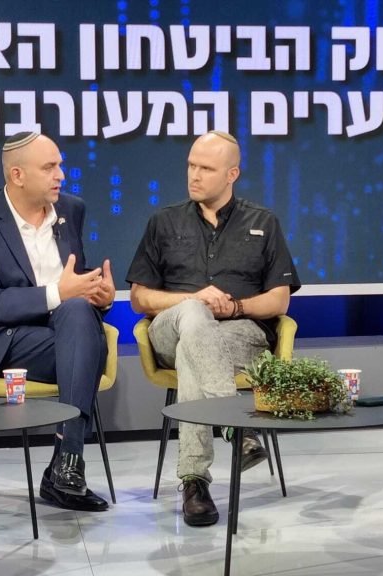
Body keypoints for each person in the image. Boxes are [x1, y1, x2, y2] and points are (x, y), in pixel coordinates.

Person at [127, 131, 301, 526]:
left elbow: (279, 301)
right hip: (170, 329)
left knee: (194, 349)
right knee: (192, 315)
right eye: (191, 165)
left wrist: (235, 306)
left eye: (205, 168)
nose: (194, 174)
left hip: (240, 335)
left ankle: (194, 482)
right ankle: (233, 425)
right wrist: (195, 301)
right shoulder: (163, 222)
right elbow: (139, 298)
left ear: (231, 174)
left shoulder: (263, 222)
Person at [0, 132, 115, 512]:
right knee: (83, 345)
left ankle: (66, 462)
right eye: (49, 167)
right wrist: (60, 292)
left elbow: (74, 279)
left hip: (58, 334)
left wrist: (98, 296)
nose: (61, 175)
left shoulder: (71, 209)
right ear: (17, 175)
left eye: (60, 166)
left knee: (79, 318)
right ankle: (66, 465)